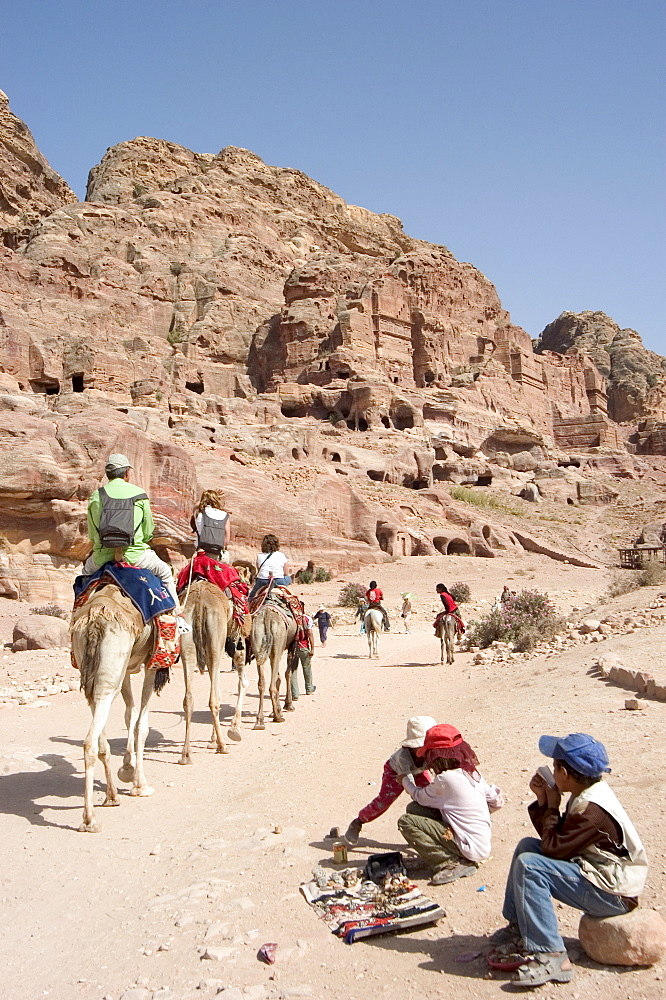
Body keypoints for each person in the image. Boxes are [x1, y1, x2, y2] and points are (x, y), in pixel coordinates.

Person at [490, 733, 648, 988]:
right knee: (526, 848)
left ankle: (552, 956)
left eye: (554, 767)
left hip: (614, 894)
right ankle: (518, 926)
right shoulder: (585, 793)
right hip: (598, 874)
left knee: (530, 866)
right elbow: (554, 842)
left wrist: (552, 806)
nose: (552, 772)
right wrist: (543, 800)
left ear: (563, 772)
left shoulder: (591, 810)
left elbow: (553, 849)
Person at [82, 453, 189, 631]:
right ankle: (177, 618)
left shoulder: (96, 496)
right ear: (127, 474)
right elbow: (148, 530)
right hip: (136, 556)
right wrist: (142, 541)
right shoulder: (139, 495)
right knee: (164, 573)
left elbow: (93, 535)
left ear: (108, 474)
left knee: (84, 577)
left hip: (103, 558)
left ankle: (76, 619)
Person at [398, 723, 504, 885]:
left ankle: (450, 862)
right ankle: (450, 852)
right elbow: (495, 801)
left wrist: (404, 780)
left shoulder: (445, 779)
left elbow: (419, 796)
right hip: (480, 843)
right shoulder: (471, 773)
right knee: (415, 810)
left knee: (406, 821)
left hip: (469, 847)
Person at [344, 716, 437, 846]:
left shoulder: (433, 752)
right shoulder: (403, 758)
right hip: (397, 773)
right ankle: (358, 821)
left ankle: (430, 830)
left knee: (430, 797)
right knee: (383, 801)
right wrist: (419, 795)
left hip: (419, 771)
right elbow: (409, 785)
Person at [191, 489, 231, 561]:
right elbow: (226, 541)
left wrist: (206, 497)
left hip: (202, 553)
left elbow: (196, 506)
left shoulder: (199, 514)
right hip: (218, 553)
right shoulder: (225, 515)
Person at [248, 534, 292, 600]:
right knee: (288, 578)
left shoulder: (259, 556)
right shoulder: (281, 555)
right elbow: (286, 573)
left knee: (251, 595)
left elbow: (260, 570)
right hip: (278, 580)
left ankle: (249, 605)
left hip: (262, 581)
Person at [290, 606, 316, 699]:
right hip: (304, 646)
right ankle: (309, 689)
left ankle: (294, 694)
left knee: (293, 670)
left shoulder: (291, 618)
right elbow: (310, 633)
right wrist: (312, 648)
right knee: (307, 668)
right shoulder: (307, 618)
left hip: (292, 648)